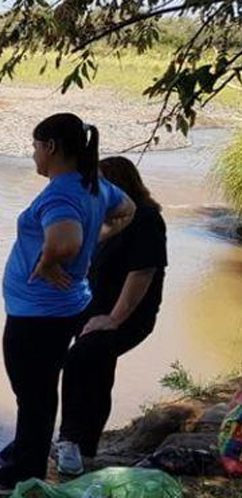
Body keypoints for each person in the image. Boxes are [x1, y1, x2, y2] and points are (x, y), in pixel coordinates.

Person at [0, 113, 136, 495]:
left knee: (33, 389)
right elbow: (127, 208)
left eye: (34, 147)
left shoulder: (61, 192)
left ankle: (25, 471)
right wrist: (100, 235)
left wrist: (49, 259)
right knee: (41, 385)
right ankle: (24, 446)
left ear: (50, 147)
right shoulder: (92, 185)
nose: (33, 155)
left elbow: (66, 241)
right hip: (64, 306)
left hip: (39, 313)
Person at [54, 156, 167, 473]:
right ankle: (85, 449)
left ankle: (70, 441)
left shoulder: (146, 219)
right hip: (94, 312)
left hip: (127, 316)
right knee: (98, 372)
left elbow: (142, 273)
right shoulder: (113, 221)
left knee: (79, 360)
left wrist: (114, 319)